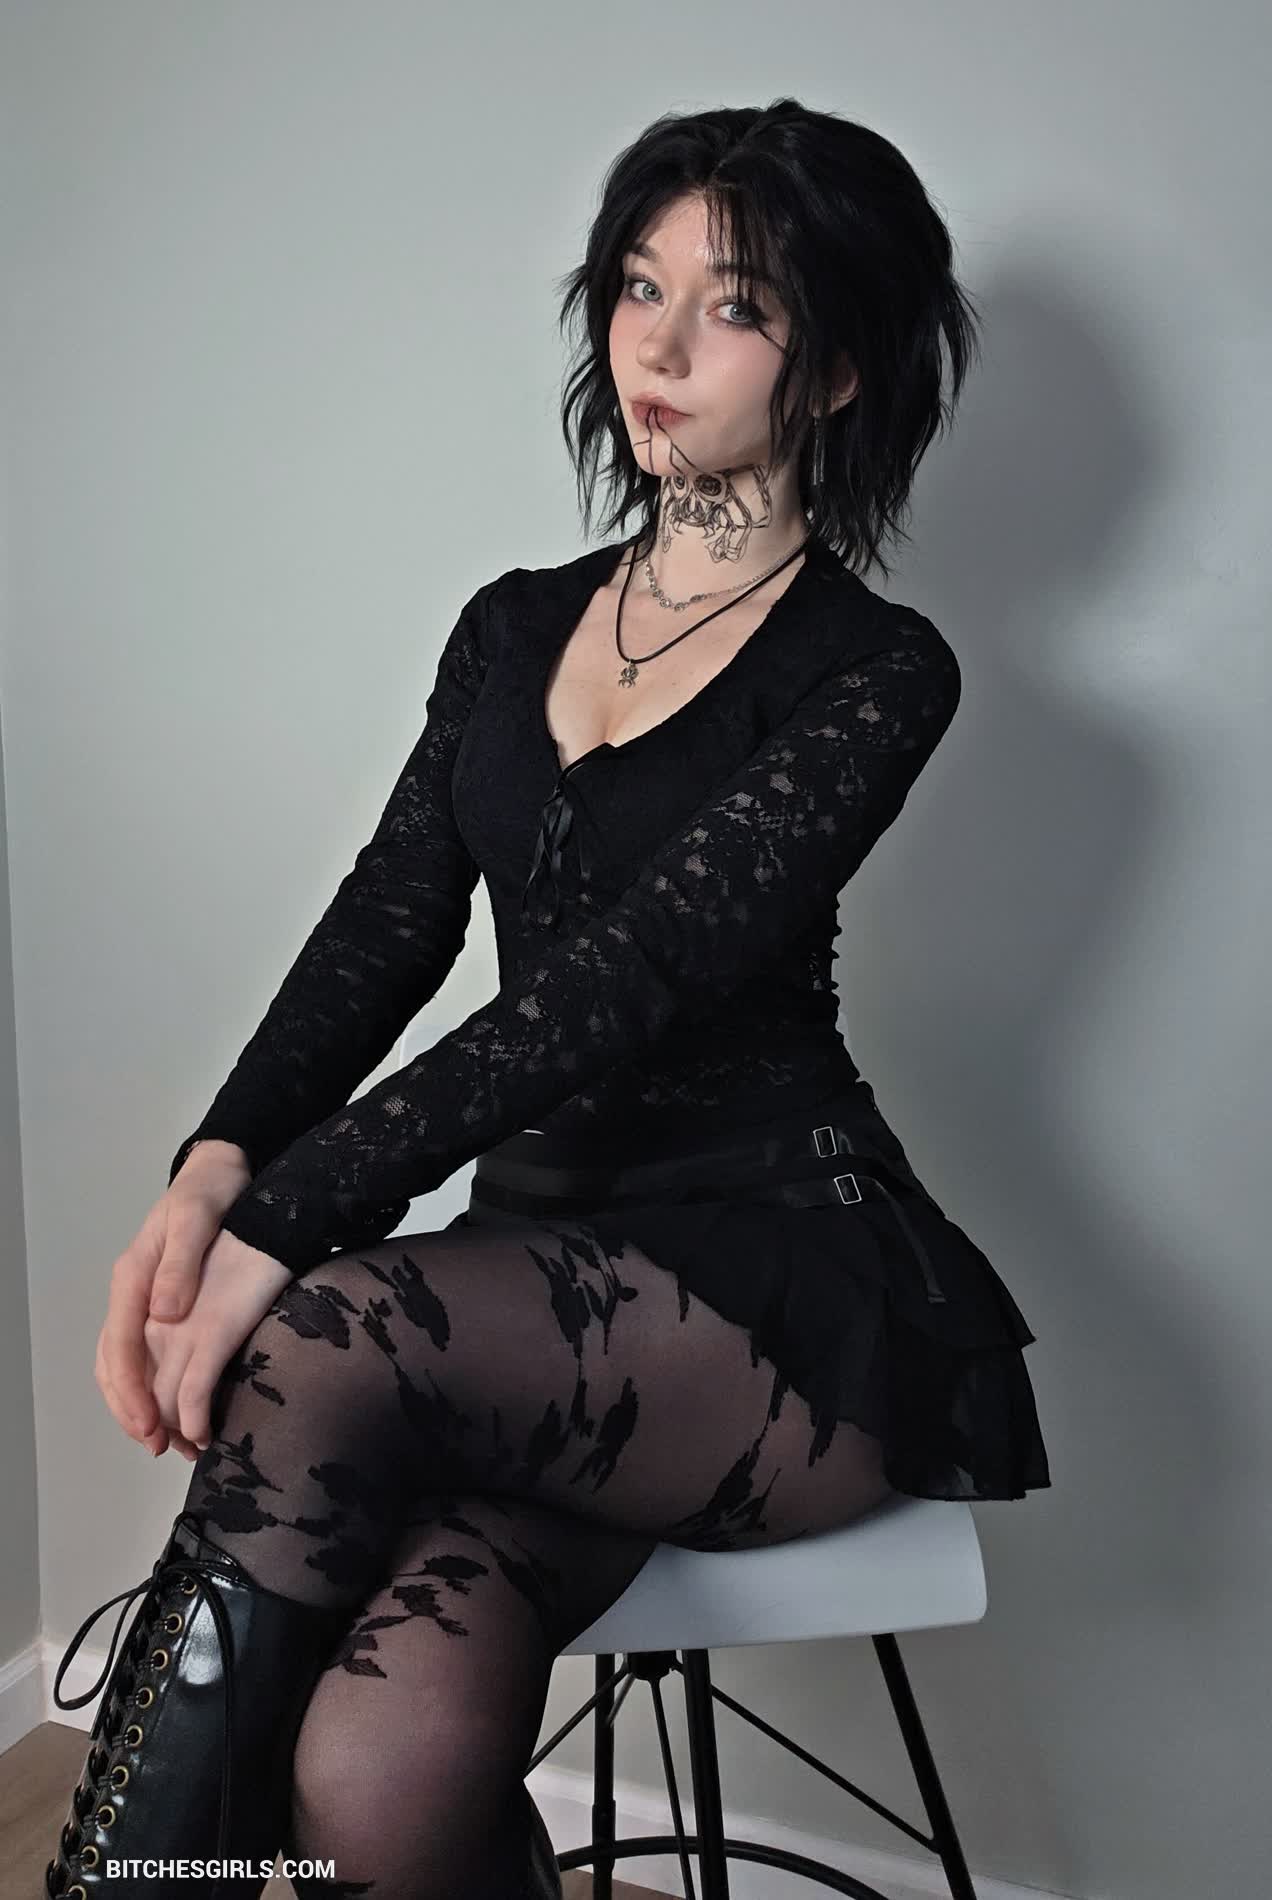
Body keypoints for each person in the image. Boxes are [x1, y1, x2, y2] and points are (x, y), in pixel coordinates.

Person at [45, 97, 1050, 1900]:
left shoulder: (877, 672)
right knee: (373, 1775)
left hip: (765, 1301)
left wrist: (291, 1222)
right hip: (530, 1295)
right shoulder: (516, 626)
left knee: (323, 1336)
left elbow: (623, 986)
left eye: (736, 307)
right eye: (639, 287)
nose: (659, 346)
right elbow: (387, 923)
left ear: (837, 371)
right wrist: (218, 1164)